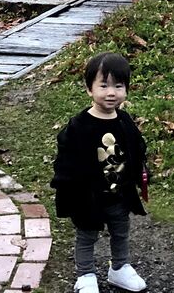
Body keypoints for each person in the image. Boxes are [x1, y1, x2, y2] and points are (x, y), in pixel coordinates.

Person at [51, 51, 148, 293]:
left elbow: (137, 149)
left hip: (119, 194)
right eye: (103, 86)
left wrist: (141, 174)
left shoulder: (125, 121)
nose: (111, 92)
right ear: (89, 89)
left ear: (126, 89)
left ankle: (120, 268)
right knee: (87, 235)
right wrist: (67, 189)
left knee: (121, 231)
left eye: (118, 86)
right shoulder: (78, 127)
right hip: (88, 197)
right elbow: (66, 162)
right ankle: (85, 275)